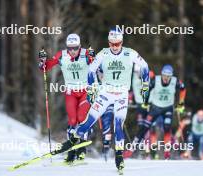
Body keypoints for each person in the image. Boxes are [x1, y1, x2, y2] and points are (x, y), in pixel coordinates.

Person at [60, 28, 149, 173]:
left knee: (118, 125)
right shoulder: (103, 53)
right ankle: (71, 146)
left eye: (118, 44)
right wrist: (92, 86)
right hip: (105, 92)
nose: (115, 47)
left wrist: (145, 84)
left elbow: (144, 66)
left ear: (122, 42)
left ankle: (119, 157)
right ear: (109, 43)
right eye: (112, 44)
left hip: (121, 94)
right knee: (88, 121)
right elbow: (90, 70)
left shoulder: (130, 52)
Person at [38, 33, 94, 163]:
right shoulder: (61, 55)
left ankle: (82, 147)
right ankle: (71, 150)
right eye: (70, 48)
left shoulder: (85, 54)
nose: (73, 51)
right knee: (72, 120)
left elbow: (97, 65)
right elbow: (45, 68)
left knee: (81, 118)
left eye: (75, 48)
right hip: (70, 92)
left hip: (85, 91)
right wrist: (43, 62)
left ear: (79, 46)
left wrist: (92, 57)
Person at [133, 64, 186, 159]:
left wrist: (181, 103)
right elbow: (147, 89)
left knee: (167, 127)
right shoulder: (156, 80)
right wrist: (145, 102)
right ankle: (135, 146)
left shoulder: (175, 81)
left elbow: (183, 88)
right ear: (162, 74)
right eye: (164, 75)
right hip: (155, 108)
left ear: (171, 76)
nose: (166, 78)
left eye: (168, 76)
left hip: (167, 108)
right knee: (146, 126)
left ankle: (167, 151)